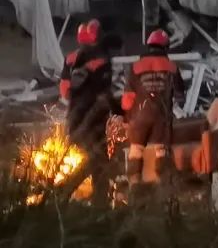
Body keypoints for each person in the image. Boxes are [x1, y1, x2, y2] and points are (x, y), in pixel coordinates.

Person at [59, 20, 119, 202]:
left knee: (98, 162)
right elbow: (104, 95)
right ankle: (64, 192)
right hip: (93, 121)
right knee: (97, 161)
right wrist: (120, 111)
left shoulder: (70, 59)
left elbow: (65, 91)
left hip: (74, 119)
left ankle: (99, 200)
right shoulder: (102, 61)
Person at [122, 29, 185, 186]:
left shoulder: (136, 66)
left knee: (136, 150)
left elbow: (128, 97)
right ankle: (163, 188)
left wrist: (127, 118)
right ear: (165, 47)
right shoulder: (171, 66)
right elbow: (180, 94)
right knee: (161, 151)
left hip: (140, 116)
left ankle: (134, 187)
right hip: (161, 116)